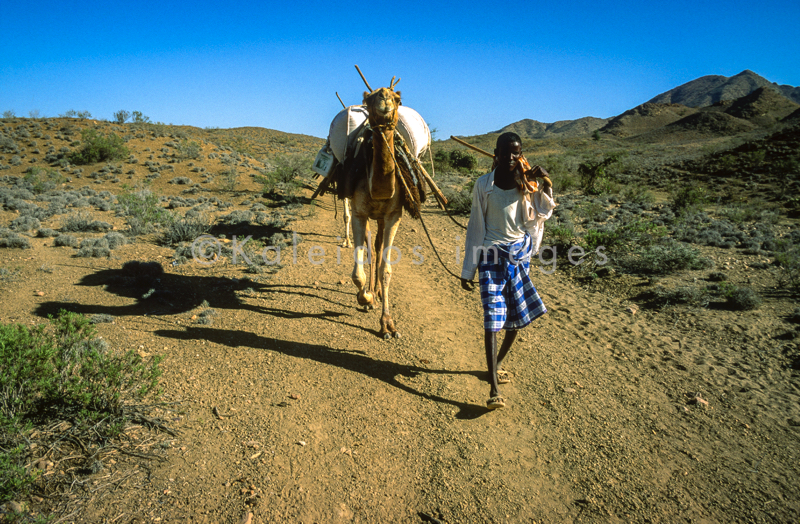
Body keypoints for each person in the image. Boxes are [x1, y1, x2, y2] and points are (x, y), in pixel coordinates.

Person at [460, 132, 556, 409]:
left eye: (517, 153)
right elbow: (476, 227)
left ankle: (497, 363)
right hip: (490, 256)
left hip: (518, 257)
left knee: (515, 317)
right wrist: (468, 270)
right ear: (496, 153)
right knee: (492, 318)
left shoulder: (527, 184)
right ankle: (493, 388)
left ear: (521, 154)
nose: (511, 158)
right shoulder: (483, 185)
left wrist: (546, 182)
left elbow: (545, 211)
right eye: (506, 153)